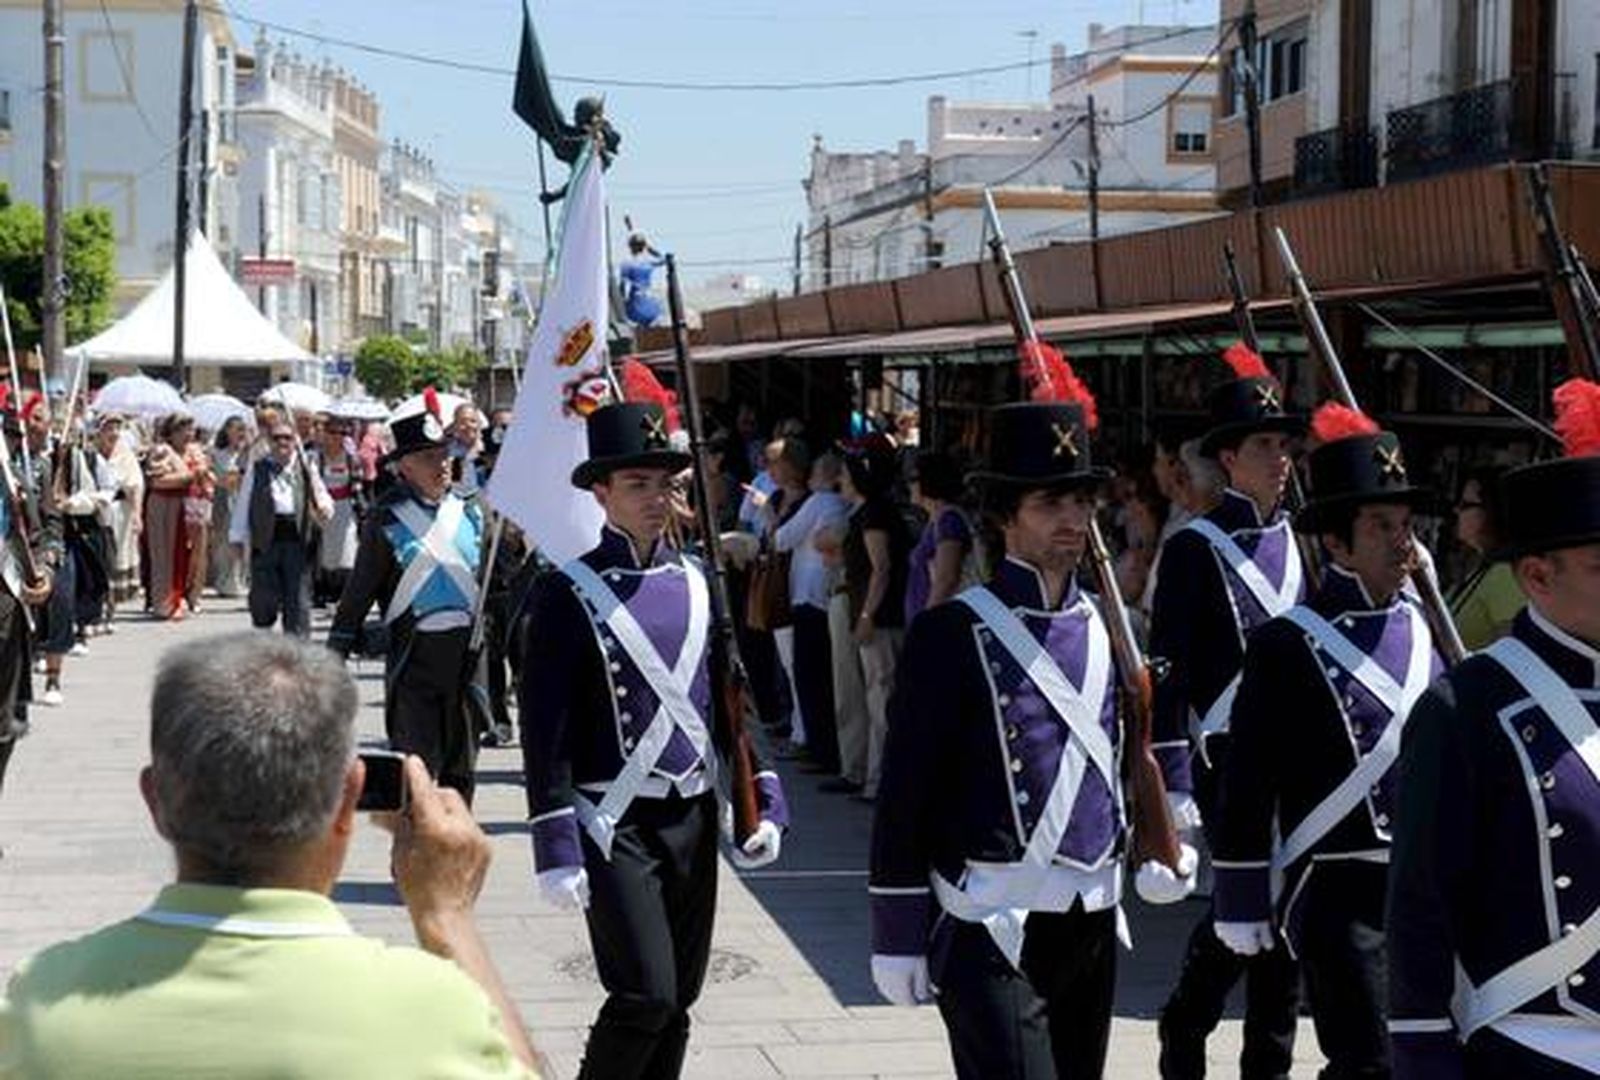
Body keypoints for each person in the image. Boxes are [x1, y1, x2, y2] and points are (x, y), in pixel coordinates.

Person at [0, 631, 543, 1078]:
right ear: (348, 798)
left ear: (155, 800)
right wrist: (448, 918)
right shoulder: (434, 1010)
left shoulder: (42, 1003)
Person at [870, 400, 1194, 1079]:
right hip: (992, 920)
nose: (1074, 520)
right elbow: (905, 795)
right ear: (1003, 514)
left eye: (1082, 500)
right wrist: (898, 932)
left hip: (1092, 916)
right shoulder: (949, 635)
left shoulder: (1112, 625)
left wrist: (1160, 837)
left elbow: (1138, 747)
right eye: (1051, 503)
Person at [519, 401, 788, 1080]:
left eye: (664, 485)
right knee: (645, 993)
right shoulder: (564, 592)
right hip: (615, 821)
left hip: (692, 816)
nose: (654, 499)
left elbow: (733, 701)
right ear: (600, 492)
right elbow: (544, 726)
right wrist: (554, 840)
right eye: (636, 485)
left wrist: (762, 795)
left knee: (681, 1000)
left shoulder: (700, 583)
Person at [1212, 405, 1445, 1078]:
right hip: (1339, 886)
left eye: (1405, 525)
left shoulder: (1429, 625)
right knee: (1368, 1058)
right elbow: (1249, 779)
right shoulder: (1289, 642)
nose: (1401, 540)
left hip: (1426, 881)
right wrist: (1241, 892)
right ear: (1337, 543)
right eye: (1380, 525)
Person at [1386, 378, 1600, 1078]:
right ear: (1538, 576)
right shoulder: (1466, 707)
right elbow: (1420, 900)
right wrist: (1422, 1051)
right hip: (1534, 1047)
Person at [1152, 343, 1306, 1080]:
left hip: (1306, 764)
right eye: (1263, 445)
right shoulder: (1194, 549)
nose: (1279, 458)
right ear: (1229, 458)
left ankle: (1266, 1068)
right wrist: (1172, 781)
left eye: (1284, 444)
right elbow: (1169, 671)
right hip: (1227, 757)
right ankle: (1188, 1018)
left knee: (1286, 928)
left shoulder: (1309, 544)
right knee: (1249, 907)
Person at [329, 400, 482, 800]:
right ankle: (411, 858)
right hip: (415, 659)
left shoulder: (470, 513)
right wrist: (334, 655)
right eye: (429, 457)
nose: (442, 464)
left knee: (461, 774)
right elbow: (359, 592)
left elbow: (494, 585)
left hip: (466, 659)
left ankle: (455, 856)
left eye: (445, 455)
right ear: (404, 467)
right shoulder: (387, 519)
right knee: (413, 775)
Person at [839, 435, 913, 803]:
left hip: (882, 620)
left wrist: (867, 614)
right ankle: (876, 779)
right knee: (877, 700)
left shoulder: (874, 514)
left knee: (881, 702)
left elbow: (881, 568)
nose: (841, 478)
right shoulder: (874, 510)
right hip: (879, 616)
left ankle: (881, 782)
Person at [773, 451, 851, 776]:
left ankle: (818, 748)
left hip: (808, 596)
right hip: (827, 594)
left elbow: (782, 539)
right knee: (826, 677)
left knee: (809, 677)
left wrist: (774, 517)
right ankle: (825, 746)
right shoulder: (844, 505)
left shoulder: (820, 501)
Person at [230, 421, 330, 637]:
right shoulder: (258, 468)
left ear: (296, 441)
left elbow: (321, 494)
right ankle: (264, 637)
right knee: (263, 596)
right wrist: (237, 537)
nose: (282, 442)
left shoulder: (306, 465)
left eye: (287, 437)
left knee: (298, 597)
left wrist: (324, 508)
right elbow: (243, 503)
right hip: (267, 538)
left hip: (297, 538)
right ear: (268, 441)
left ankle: (297, 647)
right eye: (276, 438)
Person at [1447, 465, 1523, 650]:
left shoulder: (1506, 576)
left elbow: (1512, 651)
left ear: (1492, 511)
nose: (1456, 510)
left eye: (1465, 505)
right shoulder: (1483, 567)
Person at [904, 451, 976, 623]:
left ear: (929, 480)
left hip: (940, 625)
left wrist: (926, 624)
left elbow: (947, 578)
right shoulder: (936, 520)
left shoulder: (948, 520)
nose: (909, 484)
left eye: (913, 478)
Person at [144, 413, 203, 621]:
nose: (188, 434)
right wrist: (187, 477)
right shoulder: (162, 451)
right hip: (163, 506)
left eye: (190, 429)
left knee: (183, 555)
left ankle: (179, 598)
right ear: (172, 432)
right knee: (163, 556)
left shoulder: (193, 452)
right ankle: (163, 603)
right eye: (183, 429)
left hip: (185, 507)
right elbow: (155, 481)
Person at [312, 416, 364, 608]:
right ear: (324, 434)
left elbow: (357, 485)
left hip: (344, 507)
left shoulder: (352, 459)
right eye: (333, 433)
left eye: (343, 433)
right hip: (322, 509)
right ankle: (322, 591)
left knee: (347, 550)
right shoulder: (316, 458)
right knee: (323, 552)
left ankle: (344, 592)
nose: (338, 437)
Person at [208, 416, 250, 599]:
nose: (240, 433)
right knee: (224, 543)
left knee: (244, 542)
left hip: (244, 499)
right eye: (237, 429)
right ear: (227, 431)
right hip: (224, 500)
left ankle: (242, 581)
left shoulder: (249, 453)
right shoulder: (217, 454)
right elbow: (213, 478)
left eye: (243, 429)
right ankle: (225, 582)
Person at [620, 233, 667, 329]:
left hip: (635, 305)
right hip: (650, 303)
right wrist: (650, 249)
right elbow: (664, 259)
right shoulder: (648, 262)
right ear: (643, 247)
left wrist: (622, 303)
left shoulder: (626, 264)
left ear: (630, 247)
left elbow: (622, 287)